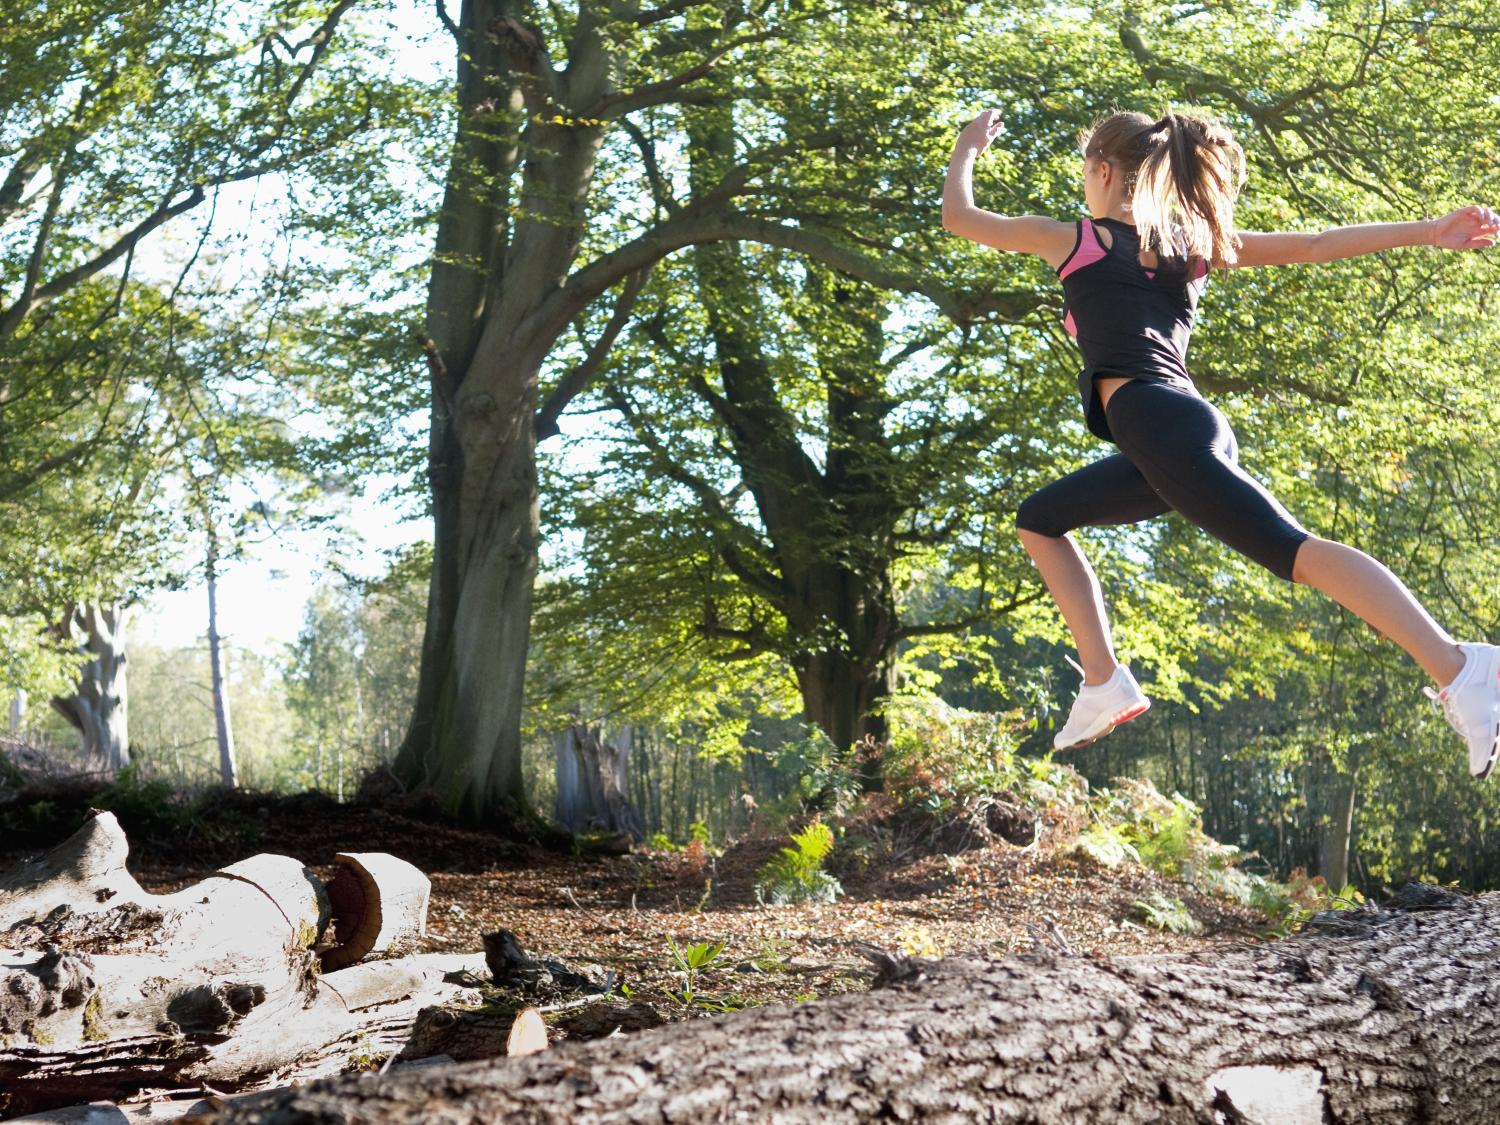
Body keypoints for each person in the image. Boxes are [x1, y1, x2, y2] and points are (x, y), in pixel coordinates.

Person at [941, 107, 1500, 774]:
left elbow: (961, 217)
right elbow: (1317, 243)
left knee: (1295, 550)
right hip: (1175, 429)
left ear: (1102, 170)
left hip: (1159, 426)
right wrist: (1427, 232)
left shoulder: (1076, 239)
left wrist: (966, 148)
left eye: (1084, 175)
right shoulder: (1191, 247)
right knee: (1041, 519)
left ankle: (1462, 666)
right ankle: (1103, 680)